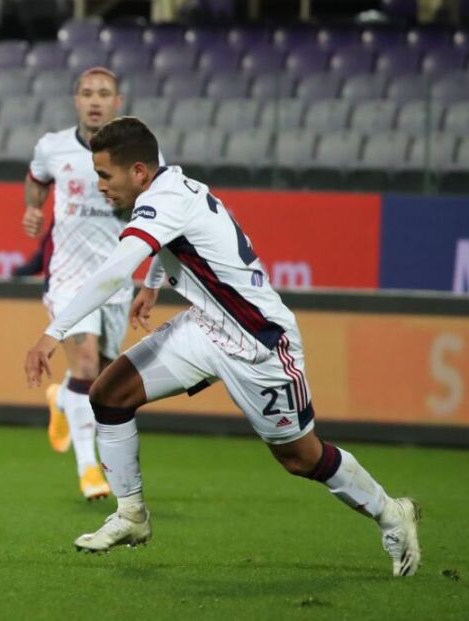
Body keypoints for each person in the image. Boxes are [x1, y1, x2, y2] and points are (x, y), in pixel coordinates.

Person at [23, 117, 422, 576]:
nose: (100, 186)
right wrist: (152, 284)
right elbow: (169, 241)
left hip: (259, 342)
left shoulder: (162, 201)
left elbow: (114, 271)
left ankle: (392, 513)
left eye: (105, 175)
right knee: (109, 396)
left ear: (138, 171)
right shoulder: (170, 186)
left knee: (300, 457)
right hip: (205, 328)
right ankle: (131, 515)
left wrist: (51, 334)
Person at [22, 67, 162, 501]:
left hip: (115, 277)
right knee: (85, 367)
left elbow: (161, 208)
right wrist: (33, 210)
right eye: (87, 93)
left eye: (104, 93)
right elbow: (36, 180)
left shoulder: (141, 154)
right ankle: (89, 470)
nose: (95, 100)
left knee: (100, 377)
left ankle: (63, 398)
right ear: (76, 100)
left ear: (118, 102)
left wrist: (151, 280)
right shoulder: (53, 147)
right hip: (68, 274)